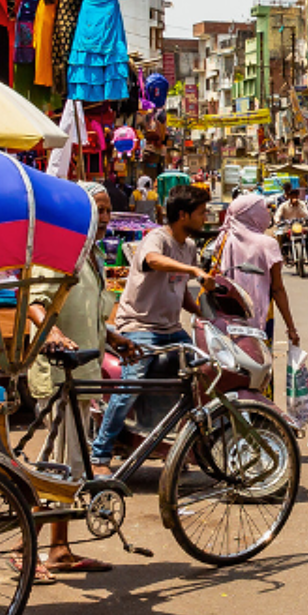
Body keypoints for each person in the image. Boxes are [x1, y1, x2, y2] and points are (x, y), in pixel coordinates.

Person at [22, 181, 141, 579]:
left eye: (108, 212)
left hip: (84, 377)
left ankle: (58, 549)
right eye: (98, 211)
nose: (105, 219)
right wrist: (51, 333)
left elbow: (91, 314)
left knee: (70, 467)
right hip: (59, 376)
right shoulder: (57, 250)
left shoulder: (92, 257)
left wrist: (115, 339)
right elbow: (35, 302)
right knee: (55, 468)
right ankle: (26, 552)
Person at [91, 184, 213, 467]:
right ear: (183, 215)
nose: (205, 218)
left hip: (172, 329)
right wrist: (193, 270)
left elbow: (181, 291)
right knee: (130, 387)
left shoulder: (190, 246)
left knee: (203, 374)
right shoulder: (156, 239)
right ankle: (100, 453)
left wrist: (204, 315)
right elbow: (153, 261)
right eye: (201, 213)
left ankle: (179, 446)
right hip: (139, 326)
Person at [216, 193, 302, 346]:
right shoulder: (268, 244)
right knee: (260, 362)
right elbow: (277, 289)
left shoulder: (222, 240)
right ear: (253, 214)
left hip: (225, 318)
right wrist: (291, 328)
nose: (267, 213)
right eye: (263, 209)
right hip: (261, 318)